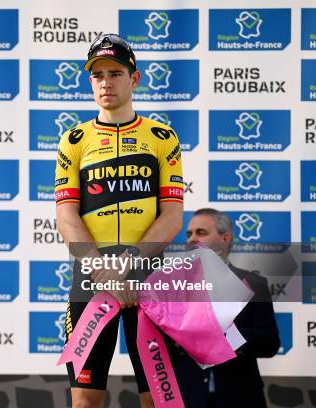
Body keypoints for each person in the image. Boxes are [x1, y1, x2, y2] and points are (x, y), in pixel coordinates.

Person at [55, 33, 184, 408]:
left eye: (115, 72)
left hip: (147, 275)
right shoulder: (74, 140)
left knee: (159, 400)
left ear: (135, 79)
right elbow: (66, 217)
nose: (106, 82)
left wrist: (125, 269)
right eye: (97, 75)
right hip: (91, 276)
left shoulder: (162, 137)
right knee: (84, 401)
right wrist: (102, 271)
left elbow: (172, 216)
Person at [177, 208, 280, 407]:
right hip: (188, 397)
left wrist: (226, 334)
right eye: (189, 234)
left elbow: (269, 343)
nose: (192, 239)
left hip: (239, 396)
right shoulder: (173, 287)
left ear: (225, 238)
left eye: (201, 232)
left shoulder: (253, 283)